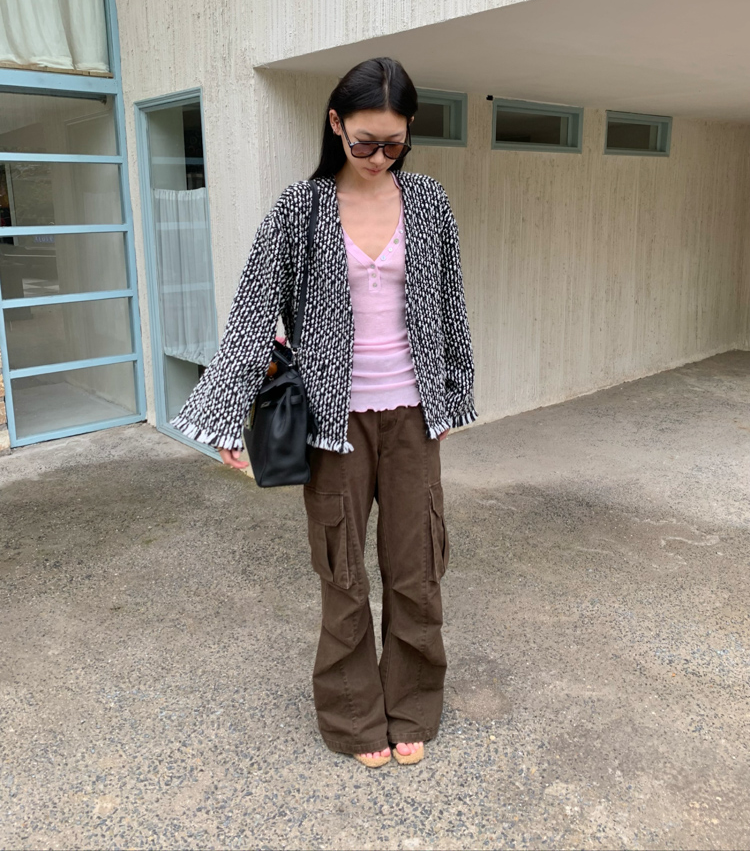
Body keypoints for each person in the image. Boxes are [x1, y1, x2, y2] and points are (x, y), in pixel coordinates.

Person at [170, 57, 476, 768]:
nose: (378, 156)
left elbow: (451, 304)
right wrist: (226, 412)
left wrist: (454, 392)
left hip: (413, 413)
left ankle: (412, 706)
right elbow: (253, 311)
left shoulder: (428, 202)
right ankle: (352, 715)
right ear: (335, 124)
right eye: (365, 140)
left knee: (417, 567)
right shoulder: (299, 208)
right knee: (342, 572)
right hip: (333, 423)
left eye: (394, 142)